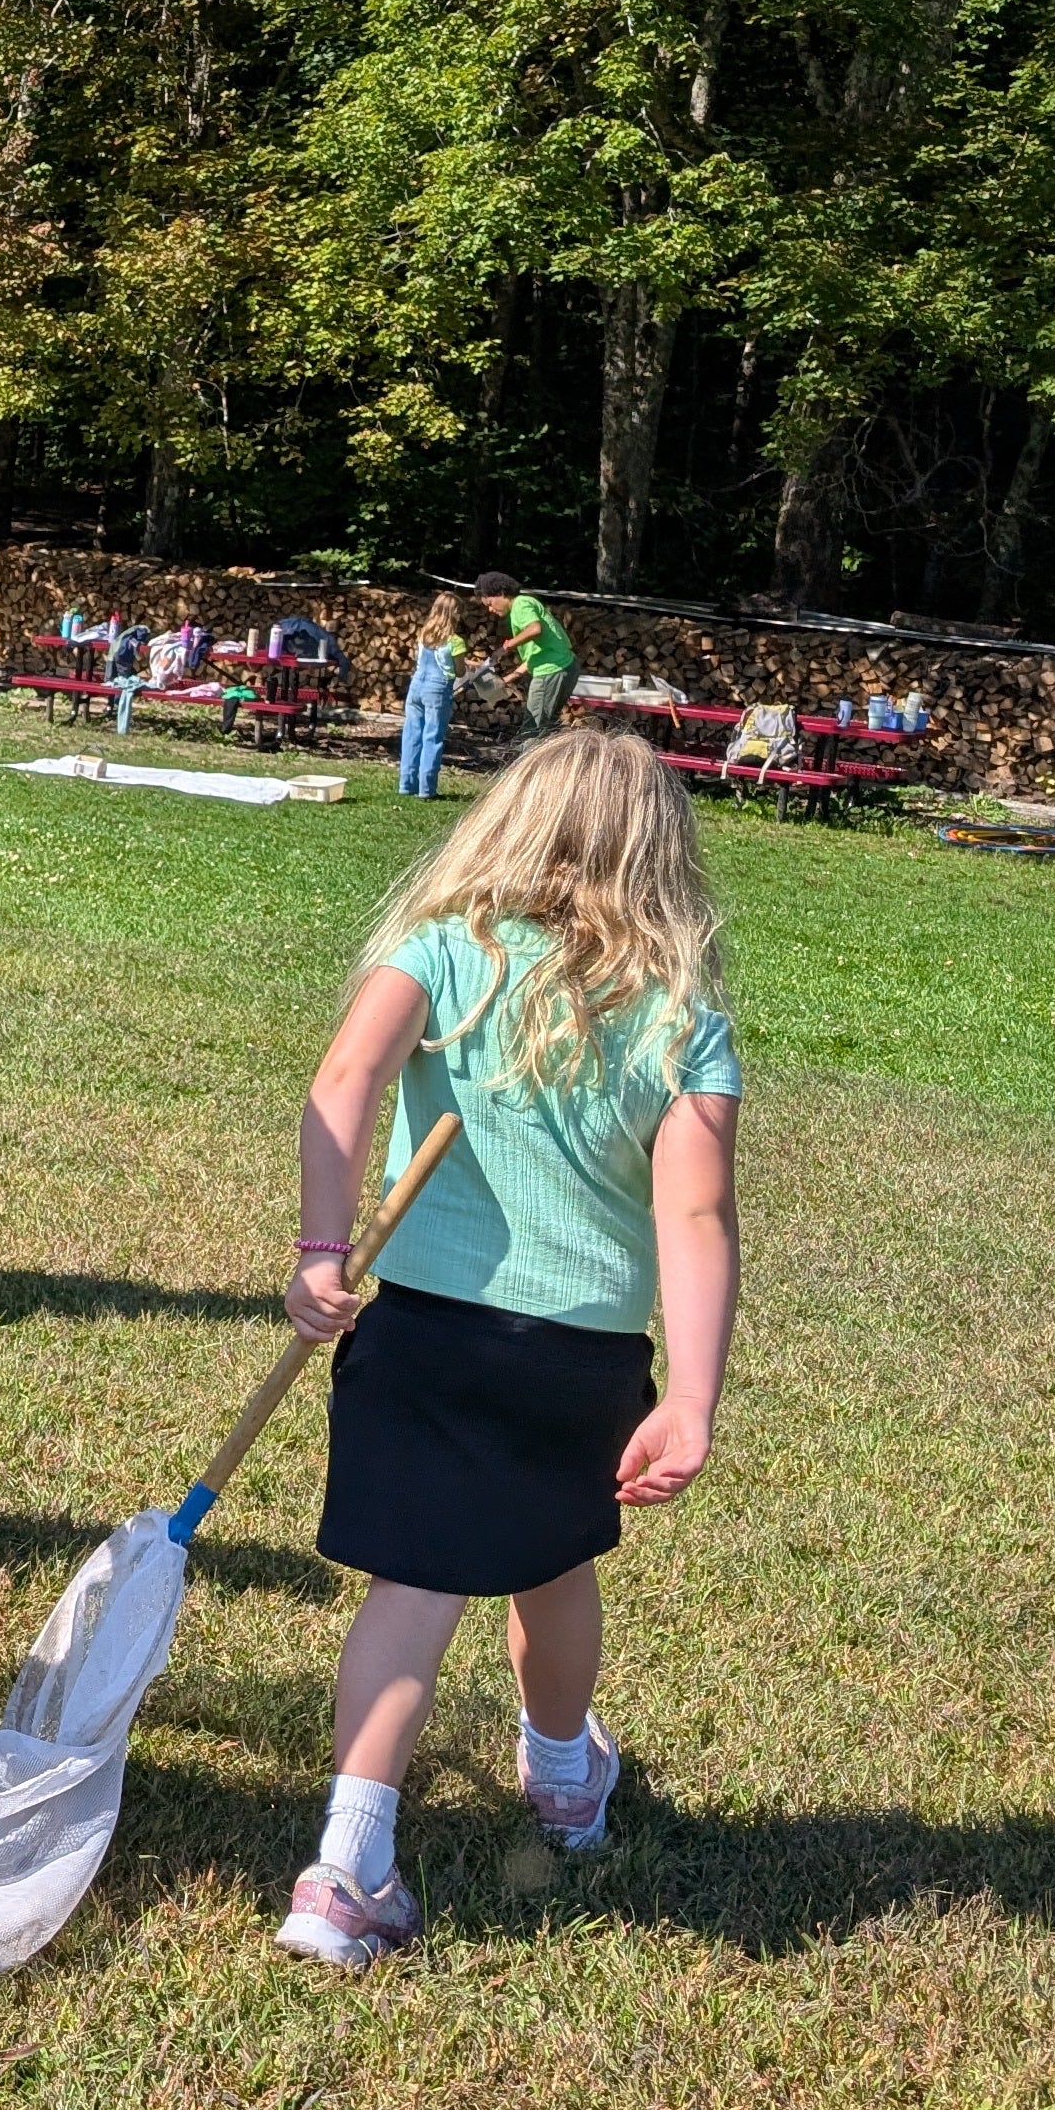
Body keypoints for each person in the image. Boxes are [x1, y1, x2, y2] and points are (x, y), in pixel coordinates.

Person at [271, 723, 741, 1968]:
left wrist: (325, 1248)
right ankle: (562, 1780)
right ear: (662, 853)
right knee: (551, 1562)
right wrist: (689, 1393)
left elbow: (339, 1083)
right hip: (576, 1355)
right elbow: (694, 1212)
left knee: (414, 1585)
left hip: (424, 1331)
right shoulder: (684, 1014)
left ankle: (347, 1865)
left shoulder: (438, 954)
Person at [478, 570, 578, 739]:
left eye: (489, 603)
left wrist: (506, 647)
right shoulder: (523, 606)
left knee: (532, 730)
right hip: (562, 666)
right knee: (547, 727)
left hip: (550, 671)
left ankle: (525, 763)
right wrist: (506, 680)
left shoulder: (521, 604)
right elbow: (536, 655)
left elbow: (535, 629)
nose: (489, 609)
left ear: (501, 593)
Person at [398, 592, 464, 800]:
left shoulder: (424, 634)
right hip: (437, 690)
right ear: (455, 614)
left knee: (411, 734)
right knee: (432, 737)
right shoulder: (455, 641)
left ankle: (406, 784)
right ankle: (427, 789)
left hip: (417, 686)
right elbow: (460, 671)